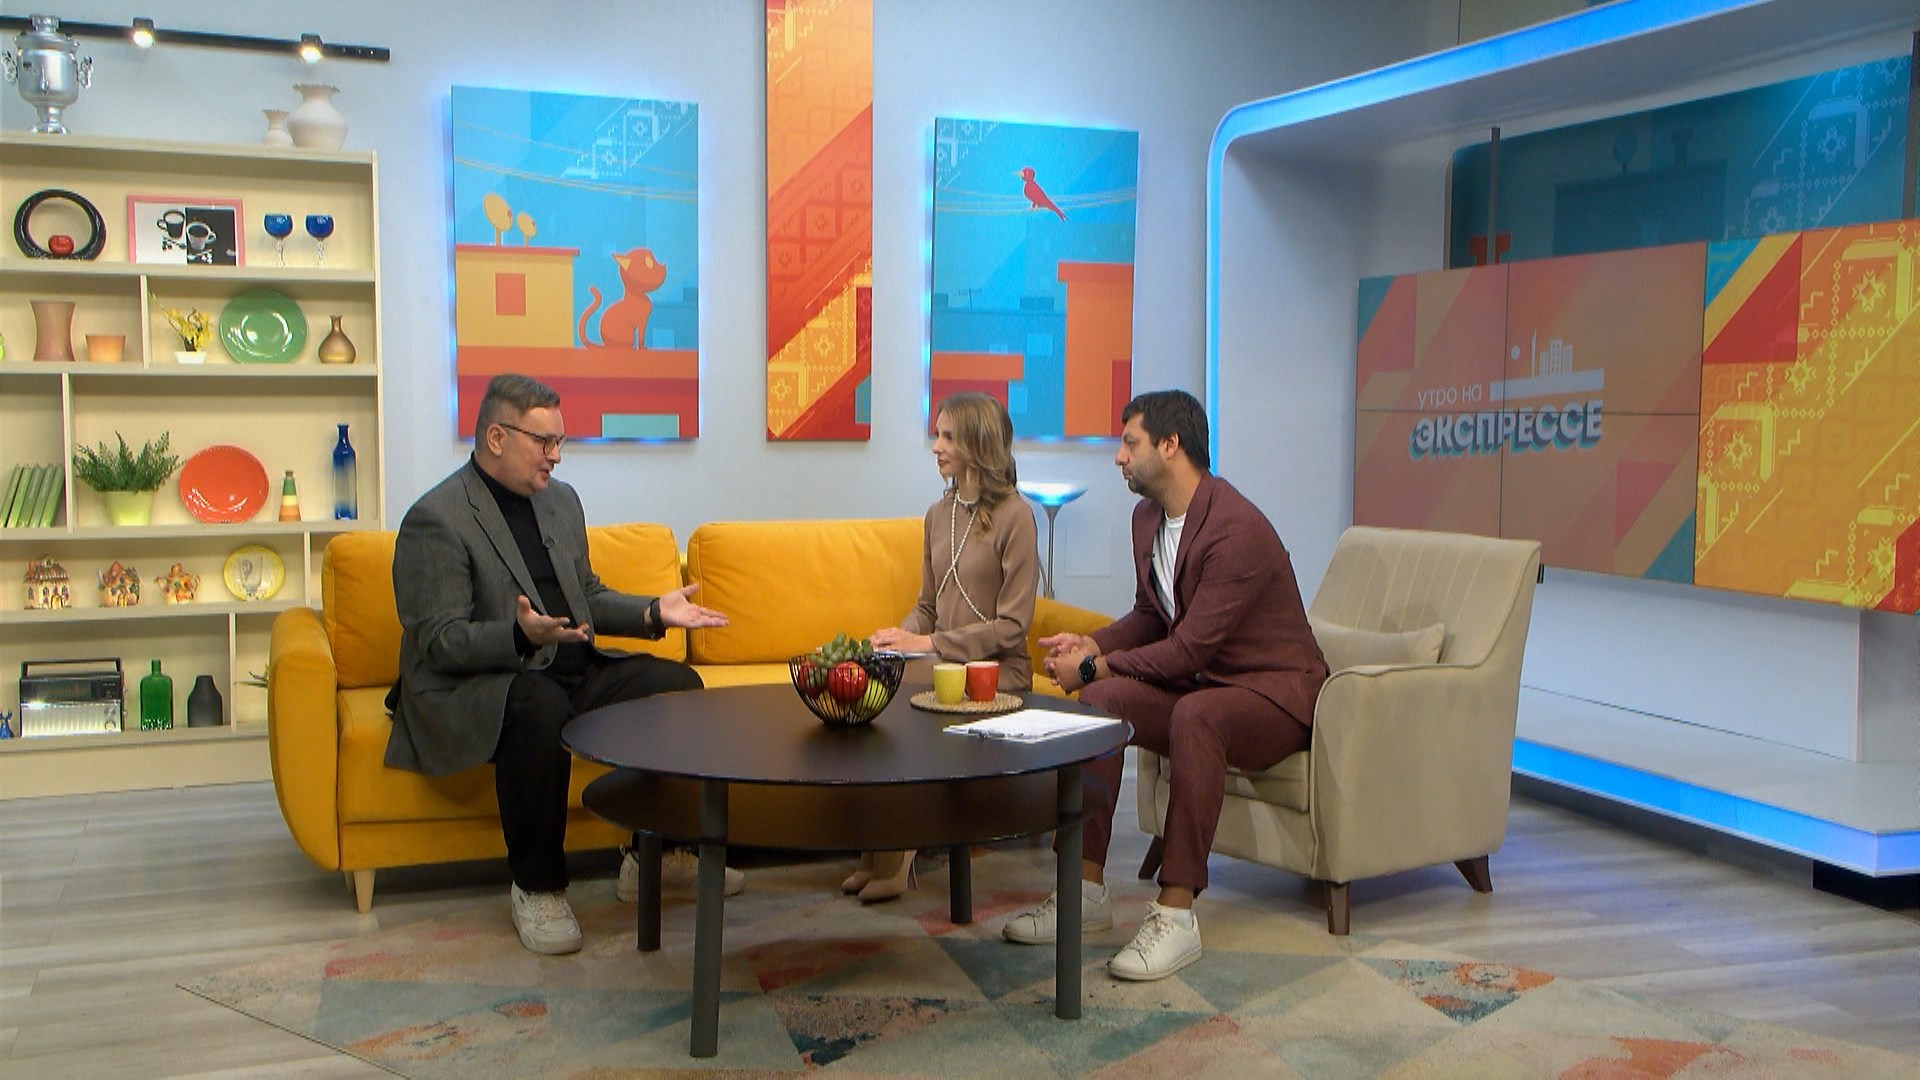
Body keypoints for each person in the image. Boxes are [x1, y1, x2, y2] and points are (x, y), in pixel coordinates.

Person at [385, 373, 736, 956]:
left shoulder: (561, 500)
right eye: (544, 441)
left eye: (559, 442)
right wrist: (518, 637)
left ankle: (652, 854)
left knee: (674, 684)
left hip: (569, 667)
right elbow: (439, 641)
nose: (556, 455)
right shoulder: (436, 519)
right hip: (487, 682)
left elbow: (586, 595)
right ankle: (538, 887)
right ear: (497, 437)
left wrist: (653, 610)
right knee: (538, 705)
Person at [1006, 389, 1327, 981]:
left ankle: (1176, 914)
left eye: (1130, 443)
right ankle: (1083, 892)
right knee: (1100, 704)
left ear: (1170, 445)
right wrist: (1093, 646)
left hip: (1273, 697)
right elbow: (1150, 617)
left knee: (1195, 715)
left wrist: (1096, 665)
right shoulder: (1148, 519)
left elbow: (1190, 649)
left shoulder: (1235, 530)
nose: (1119, 457)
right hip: (1206, 685)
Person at [857, 393, 1039, 901]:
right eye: (937, 434)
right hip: (944, 661)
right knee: (878, 675)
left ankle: (899, 855)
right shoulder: (938, 515)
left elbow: (1012, 627)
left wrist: (928, 643)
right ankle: (872, 847)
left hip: (995, 670)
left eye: (948, 437)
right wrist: (897, 640)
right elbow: (926, 608)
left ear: (978, 444)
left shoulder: (1017, 517)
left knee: (904, 690)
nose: (935, 446)